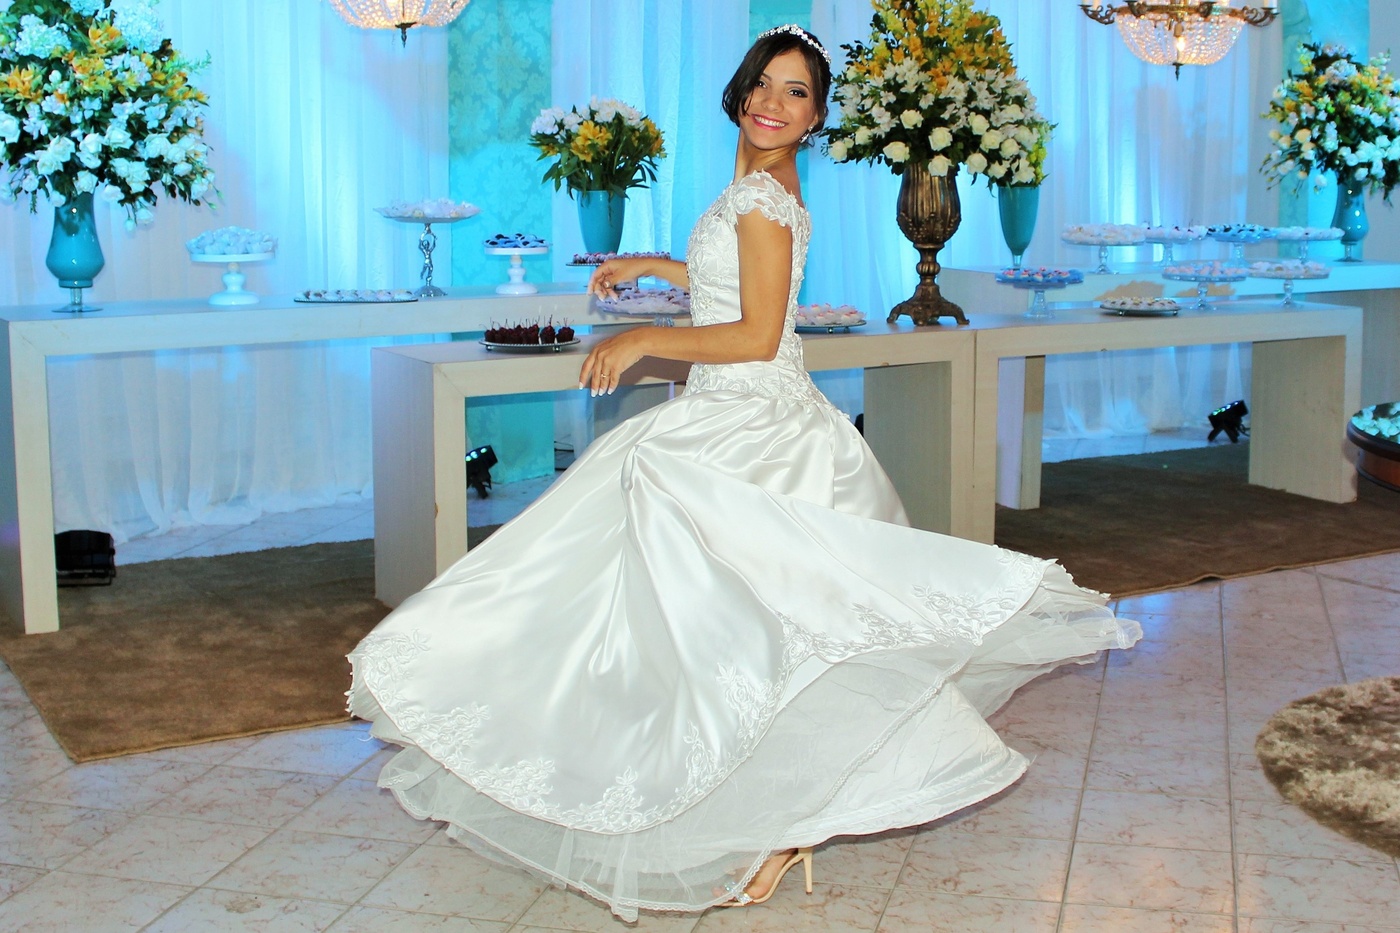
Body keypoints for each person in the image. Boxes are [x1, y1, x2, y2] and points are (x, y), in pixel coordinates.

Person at [348, 24, 1140, 921]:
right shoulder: (762, 188)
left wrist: (644, 337)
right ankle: (771, 810)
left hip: (753, 423)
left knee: (735, 626)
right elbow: (737, 282)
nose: (772, 102)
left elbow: (757, 334)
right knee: (754, 634)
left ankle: (768, 813)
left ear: (816, 117)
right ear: (740, 89)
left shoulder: (763, 196)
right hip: (748, 411)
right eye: (764, 83)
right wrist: (658, 267)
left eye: (796, 92)